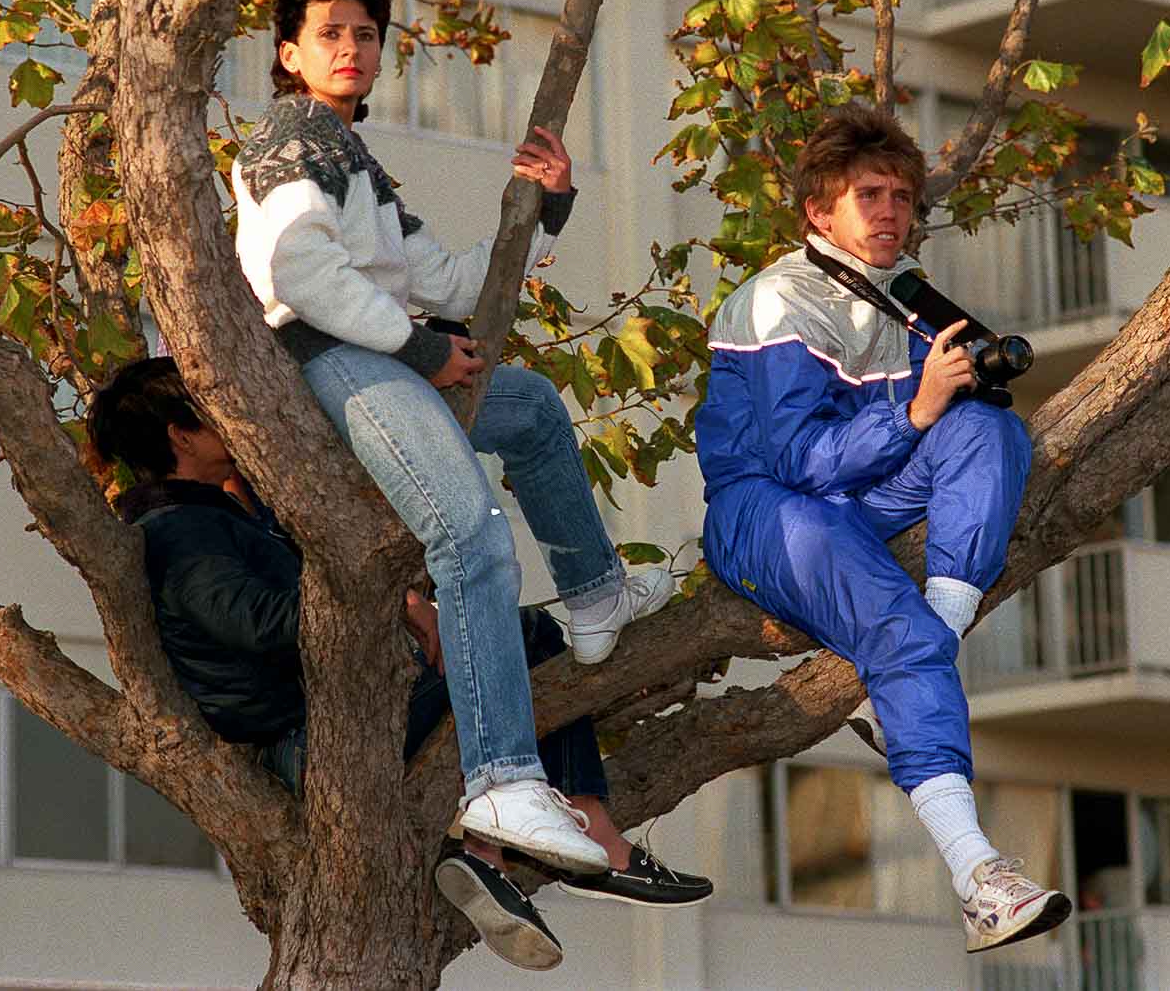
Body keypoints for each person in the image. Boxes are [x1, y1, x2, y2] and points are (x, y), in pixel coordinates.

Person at [228, 0, 682, 914]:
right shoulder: (290, 137)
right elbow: (299, 272)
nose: (350, 49)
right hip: (325, 359)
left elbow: (452, 279)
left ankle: (596, 596)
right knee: (468, 536)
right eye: (329, 33)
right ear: (288, 53)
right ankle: (505, 781)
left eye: (364, 33)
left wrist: (545, 206)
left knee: (532, 409)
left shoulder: (353, 157)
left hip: (380, 353)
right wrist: (420, 350)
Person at [88, 359, 712, 973]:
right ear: (181, 434)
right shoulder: (179, 530)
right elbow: (258, 623)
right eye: (213, 409)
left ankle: (487, 856)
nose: (237, 416)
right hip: (304, 741)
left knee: (513, 642)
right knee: (523, 637)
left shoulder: (220, 510)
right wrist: (405, 606)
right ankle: (579, 831)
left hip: (323, 716)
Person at [695, 105, 1070, 954]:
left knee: (991, 430)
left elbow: (946, 427)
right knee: (896, 618)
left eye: (903, 195)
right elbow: (796, 461)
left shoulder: (903, 294)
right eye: (870, 194)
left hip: (857, 490)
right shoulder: (777, 299)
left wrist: (948, 396)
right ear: (818, 213)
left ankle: (926, 637)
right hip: (764, 509)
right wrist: (918, 406)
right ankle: (978, 876)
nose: (893, 210)